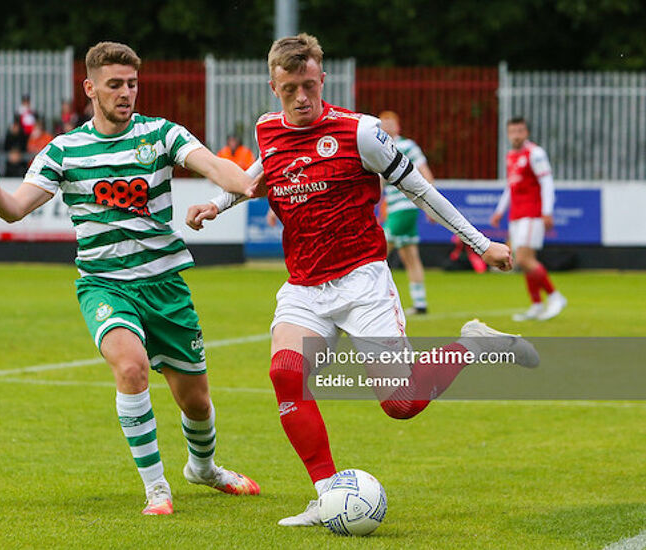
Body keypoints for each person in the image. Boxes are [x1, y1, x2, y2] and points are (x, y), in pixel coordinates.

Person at [186, 34, 538, 526]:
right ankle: (328, 495)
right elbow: (259, 176)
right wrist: (217, 204)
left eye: (309, 85)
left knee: (401, 403)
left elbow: (421, 191)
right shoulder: (269, 130)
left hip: (362, 281)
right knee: (286, 375)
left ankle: (472, 345)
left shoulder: (361, 132)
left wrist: (482, 244)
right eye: (290, 89)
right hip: (305, 286)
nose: (302, 97)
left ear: (322, 78)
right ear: (274, 86)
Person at [0, 41, 261, 516]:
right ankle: (157, 488)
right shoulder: (65, 150)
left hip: (165, 284)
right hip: (105, 285)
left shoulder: (162, 134)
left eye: (131, 84)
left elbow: (211, 164)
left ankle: (203, 468)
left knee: (197, 403)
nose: (126, 93)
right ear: (90, 88)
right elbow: (16, 209)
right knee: (130, 368)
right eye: (115, 85)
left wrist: (242, 182)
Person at [490, 117, 567, 321]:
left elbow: (547, 182)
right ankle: (536, 304)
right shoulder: (510, 156)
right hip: (516, 215)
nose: (516, 135)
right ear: (508, 134)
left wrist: (547, 211)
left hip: (532, 214)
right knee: (524, 261)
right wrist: (500, 211)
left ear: (527, 133)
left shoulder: (535, 153)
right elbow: (511, 186)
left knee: (524, 258)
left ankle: (555, 296)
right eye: (513, 131)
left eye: (520, 131)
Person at [378, 110, 434, 314]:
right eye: (382, 123)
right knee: (410, 256)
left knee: (376, 253)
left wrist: (431, 205)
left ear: (398, 126)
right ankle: (420, 303)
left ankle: (373, 301)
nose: (386, 126)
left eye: (390, 123)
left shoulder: (407, 146)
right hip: (395, 208)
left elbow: (426, 173)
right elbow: (381, 184)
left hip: (406, 207)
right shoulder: (380, 148)